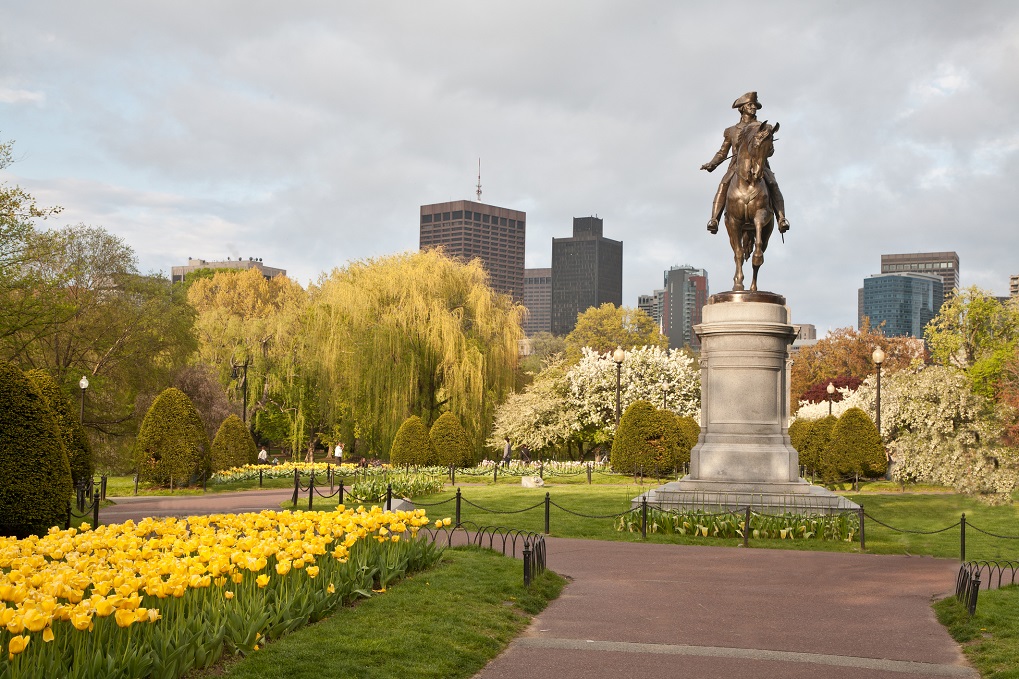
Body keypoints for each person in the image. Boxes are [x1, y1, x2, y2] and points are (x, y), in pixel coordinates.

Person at [700, 91, 789, 235]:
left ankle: (781, 219)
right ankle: (714, 219)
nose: (753, 107)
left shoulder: (763, 127)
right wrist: (712, 164)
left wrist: (765, 150)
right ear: (742, 108)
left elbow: (770, 151)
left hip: (760, 165)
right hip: (736, 166)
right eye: (750, 105)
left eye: (755, 105)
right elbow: (723, 152)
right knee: (723, 184)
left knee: (772, 183)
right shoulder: (731, 131)